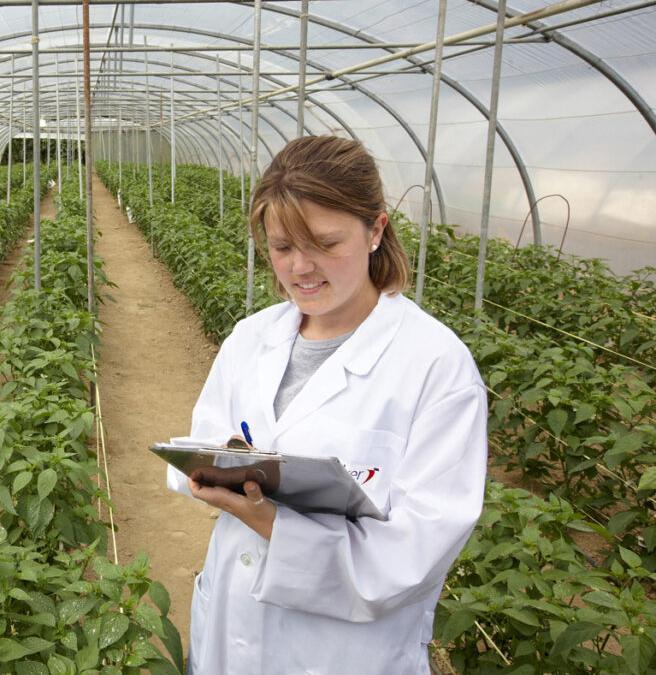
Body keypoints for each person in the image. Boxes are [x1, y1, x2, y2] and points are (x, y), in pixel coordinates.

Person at [167, 135, 487, 674]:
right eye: (282, 246)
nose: (301, 268)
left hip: (344, 653)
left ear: (376, 231)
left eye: (325, 243)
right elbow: (211, 435)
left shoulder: (436, 368)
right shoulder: (251, 339)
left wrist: (270, 520)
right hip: (233, 627)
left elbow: (412, 555)